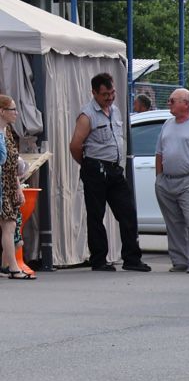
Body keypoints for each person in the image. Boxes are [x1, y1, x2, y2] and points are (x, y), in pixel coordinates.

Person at [71, 72, 148, 271]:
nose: (110, 97)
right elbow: (75, 145)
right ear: (94, 93)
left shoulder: (114, 110)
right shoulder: (87, 115)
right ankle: (99, 259)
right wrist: (89, 165)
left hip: (114, 169)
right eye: (105, 94)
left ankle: (132, 259)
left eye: (112, 92)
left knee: (128, 212)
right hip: (96, 168)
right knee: (96, 216)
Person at [152, 88, 189, 273]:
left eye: (172, 100)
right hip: (167, 181)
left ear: (186, 104)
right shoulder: (167, 124)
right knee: (173, 222)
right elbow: (159, 152)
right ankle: (179, 260)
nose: (168, 103)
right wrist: (159, 178)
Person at [0, 93, 27, 280]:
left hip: (9, 183)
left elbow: (12, 163)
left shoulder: (7, 131)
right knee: (9, 224)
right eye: (12, 109)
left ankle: (6, 266)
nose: (16, 113)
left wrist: (17, 187)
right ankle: (13, 268)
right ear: (2, 112)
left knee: (11, 224)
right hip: (2, 185)